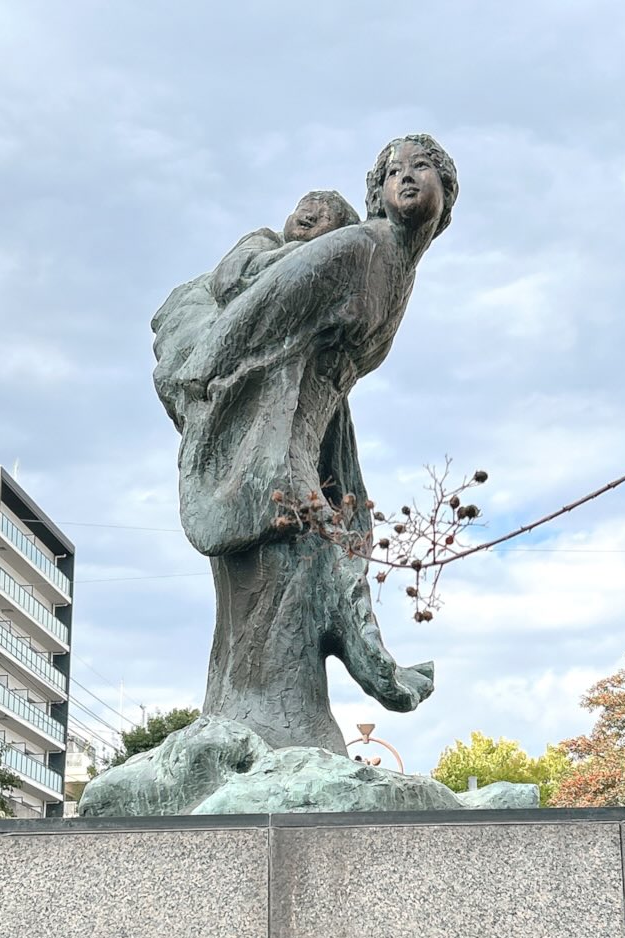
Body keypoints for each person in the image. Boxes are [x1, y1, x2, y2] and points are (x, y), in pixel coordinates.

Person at [155, 136, 458, 754]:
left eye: (421, 168)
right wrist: (203, 371)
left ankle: (276, 728)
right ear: (375, 193)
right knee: (291, 569)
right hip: (266, 443)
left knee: (318, 563)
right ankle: (263, 736)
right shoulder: (359, 247)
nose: (406, 179)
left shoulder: (396, 268)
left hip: (306, 441)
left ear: (446, 195)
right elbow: (264, 305)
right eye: (393, 171)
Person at [152, 190, 358, 429]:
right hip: (203, 330)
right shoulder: (265, 240)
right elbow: (228, 282)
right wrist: (296, 254)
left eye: (324, 216)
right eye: (306, 208)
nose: (311, 216)